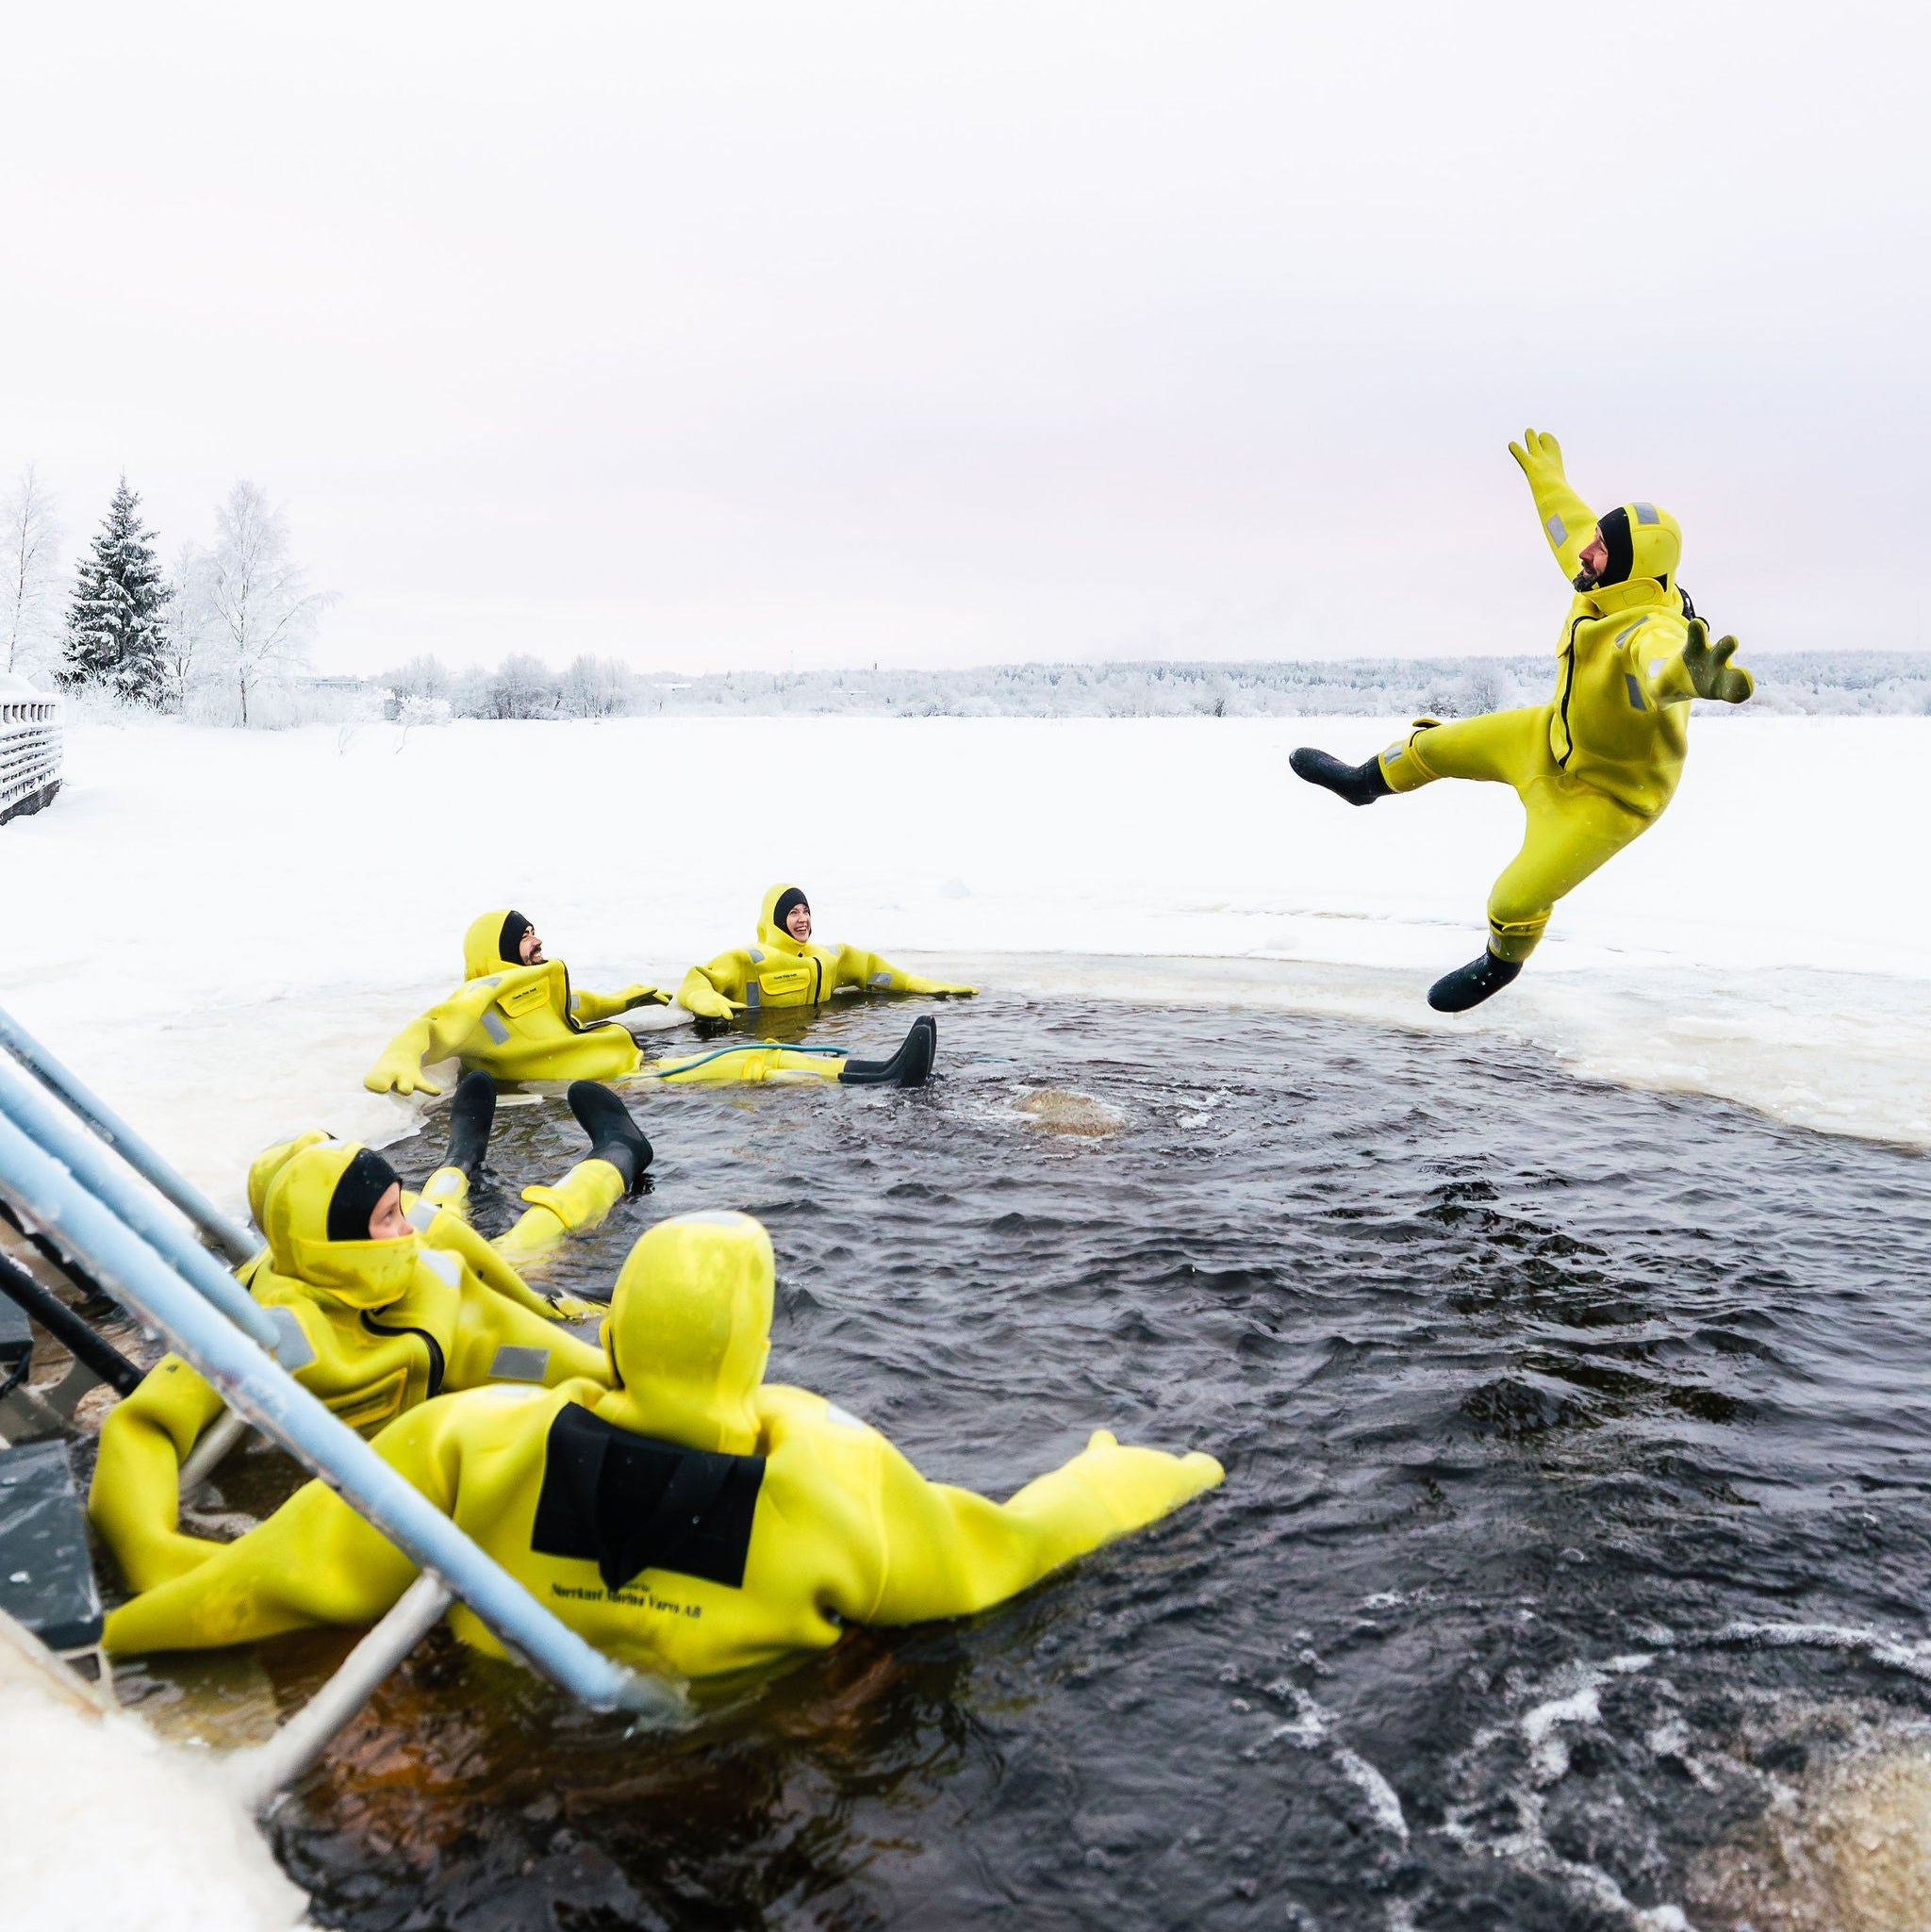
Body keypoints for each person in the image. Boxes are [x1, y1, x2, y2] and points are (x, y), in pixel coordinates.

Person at [103, 1212, 1223, 1678]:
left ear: (622, 1323)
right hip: (733, 1746)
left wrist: (119, 1631)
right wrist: (1142, 1471)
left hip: (516, 1719)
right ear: (760, 1341)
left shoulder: (472, 1439)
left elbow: (284, 1573)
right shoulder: (837, 1475)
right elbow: (1014, 1549)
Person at [1289, 429, 1754, 1012]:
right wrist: (1547, 480)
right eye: (1594, 545)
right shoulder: (1604, 583)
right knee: (1431, 747)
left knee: (1512, 902)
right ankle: (1362, 783)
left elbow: (1658, 665)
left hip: (1607, 796)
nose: (1586, 554)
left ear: (1635, 567)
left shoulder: (1651, 629)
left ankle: (1499, 965)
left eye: (1601, 550)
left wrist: (1688, 678)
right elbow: (1568, 524)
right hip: (1547, 739)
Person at [89, 1112, 633, 1594]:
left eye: (398, 1210)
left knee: (511, 1238)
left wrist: (560, 1313)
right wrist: (159, 1553)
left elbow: (516, 1337)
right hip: (370, 1477)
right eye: (388, 1218)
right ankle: (468, 1156)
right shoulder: (262, 1323)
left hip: (463, 1298)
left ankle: (605, 1156)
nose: (407, 1232)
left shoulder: (428, 1272)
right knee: (496, 1230)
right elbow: (144, 1426)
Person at [367, 908, 941, 1095]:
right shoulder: (482, 994)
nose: (536, 941)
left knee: (764, 1051)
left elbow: (582, 1006)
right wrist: (398, 1057)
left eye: (534, 932)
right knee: (748, 1062)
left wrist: (631, 997)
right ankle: (882, 1078)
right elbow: (435, 1026)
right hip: (624, 1081)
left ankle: (879, 1070)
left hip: (626, 1063)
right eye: (524, 936)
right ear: (498, 949)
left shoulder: (530, 987)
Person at [676, 883, 976, 1020]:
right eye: (792, 912)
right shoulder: (748, 959)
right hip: (756, 1042)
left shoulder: (827, 956)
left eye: (806, 911)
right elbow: (695, 980)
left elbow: (872, 970)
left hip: (811, 1041)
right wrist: (704, 997)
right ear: (776, 919)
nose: (802, 919)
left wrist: (918, 985)